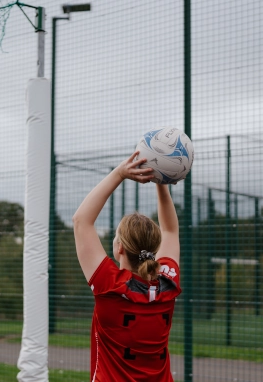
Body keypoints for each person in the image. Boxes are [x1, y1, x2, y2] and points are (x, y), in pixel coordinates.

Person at [73, 151, 182, 381]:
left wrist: (120, 173)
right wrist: (161, 181)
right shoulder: (167, 281)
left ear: (119, 248)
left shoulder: (109, 285)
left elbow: (81, 220)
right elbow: (171, 230)